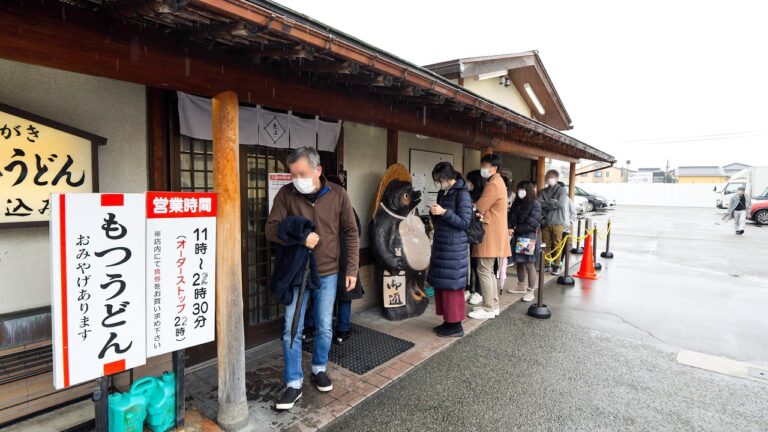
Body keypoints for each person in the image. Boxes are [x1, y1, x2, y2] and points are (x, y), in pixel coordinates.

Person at [266, 147, 359, 410]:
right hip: (297, 272)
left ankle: (319, 367)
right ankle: (293, 382)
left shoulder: (338, 195)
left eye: (302, 173)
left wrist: (352, 270)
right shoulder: (286, 194)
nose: (296, 179)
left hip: (328, 272)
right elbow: (270, 229)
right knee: (291, 328)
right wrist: (300, 236)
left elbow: (351, 232)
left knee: (324, 325)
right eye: (292, 174)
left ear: (318, 170)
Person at [302, 175, 364, 345]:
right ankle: (342, 331)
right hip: (345, 258)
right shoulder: (349, 209)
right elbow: (356, 232)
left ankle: (309, 329)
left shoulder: (322, 208)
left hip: (327, 258)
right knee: (344, 297)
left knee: (319, 296)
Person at [427, 162, 473, 337]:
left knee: (452, 287)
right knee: (443, 286)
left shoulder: (462, 194)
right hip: (442, 244)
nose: (439, 183)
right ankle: (448, 322)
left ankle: (455, 326)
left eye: (440, 180)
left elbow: (464, 222)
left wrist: (444, 212)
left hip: (454, 247)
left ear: (447, 177)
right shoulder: (443, 192)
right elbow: (442, 219)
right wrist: (434, 213)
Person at [468, 154, 511, 320]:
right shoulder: (498, 182)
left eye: (485, 166)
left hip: (490, 231)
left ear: (494, 167)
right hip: (495, 231)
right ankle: (493, 305)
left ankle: (488, 308)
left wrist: (473, 207)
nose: (483, 169)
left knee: (483, 270)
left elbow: (480, 206)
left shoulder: (493, 184)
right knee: (489, 271)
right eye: (482, 165)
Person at [508, 181, 542, 302]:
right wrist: (510, 227)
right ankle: (521, 285)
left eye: (522, 189)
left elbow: (532, 224)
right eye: (519, 189)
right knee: (519, 262)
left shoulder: (535, 204)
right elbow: (511, 217)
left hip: (528, 237)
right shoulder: (517, 202)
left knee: (529, 264)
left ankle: (530, 291)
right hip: (517, 235)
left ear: (529, 190)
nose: (520, 191)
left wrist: (515, 229)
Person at [538, 170, 569, 275]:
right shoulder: (542, 191)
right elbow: (539, 204)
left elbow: (560, 204)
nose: (549, 179)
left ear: (557, 178)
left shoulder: (562, 190)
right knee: (545, 244)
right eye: (547, 177)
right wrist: (553, 202)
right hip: (545, 221)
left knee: (557, 245)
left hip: (558, 222)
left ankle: (556, 265)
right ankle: (547, 265)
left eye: (551, 177)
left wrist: (546, 204)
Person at [465, 170, 486, 305]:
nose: (468, 183)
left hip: (480, 234)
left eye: (470, 181)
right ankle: (469, 289)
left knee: (478, 263)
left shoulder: (484, 196)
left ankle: (478, 291)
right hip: (469, 232)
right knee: (470, 263)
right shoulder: (468, 195)